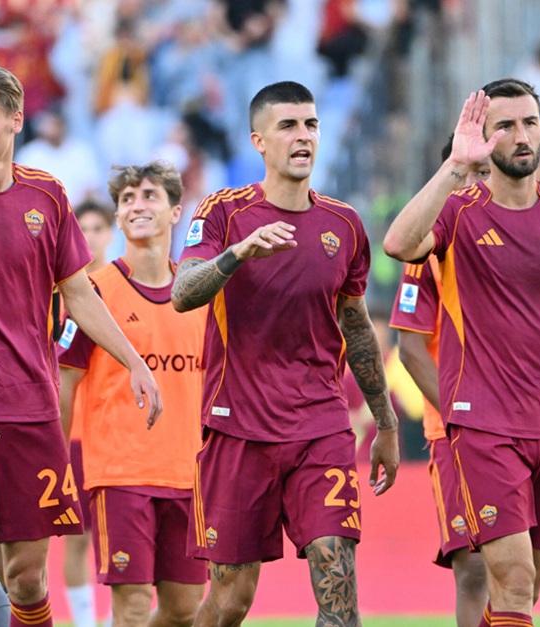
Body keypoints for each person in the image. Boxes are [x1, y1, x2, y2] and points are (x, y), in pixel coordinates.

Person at [0, 53, 162, 627]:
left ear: (16, 120)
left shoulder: (47, 195)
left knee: (28, 580)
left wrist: (134, 361)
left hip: (32, 410)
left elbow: (79, 293)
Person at [172, 80, 400, 627]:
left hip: (320, 427)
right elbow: (183, 293)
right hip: (238, 428)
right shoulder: (224, 212)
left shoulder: (344, 225)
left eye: (311, 124)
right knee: (230, 601)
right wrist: (237, 254)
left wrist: (387, 422)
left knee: (338, 584)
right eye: (288, 125)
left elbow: (356, 328)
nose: (304, 136)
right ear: (259, 141)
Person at [384, 78, 540, 627]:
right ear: (483, 138)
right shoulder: (458, 213)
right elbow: (398, 244)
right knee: (503, 577)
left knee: (523, 591)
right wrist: (456, 165)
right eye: (505, 125)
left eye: (529, 122)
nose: (520, 135)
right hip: (482, 426)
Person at [60, 161, 207, 626]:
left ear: (176, 211)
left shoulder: (200, 294)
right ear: (119, 218)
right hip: (120, 472)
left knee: (184, 610)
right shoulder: (93, 293)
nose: (137, 205)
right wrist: (57, 463)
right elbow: (64, 381)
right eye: (127, 199)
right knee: (134, 605)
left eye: (149, 196)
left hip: (189, 473)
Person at [389, 136, 490, 627]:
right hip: (456, 432)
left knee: (520, 566)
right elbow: (410, 349)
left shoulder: (525, 238)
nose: (479, 184)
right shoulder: (427, 249)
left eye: (486, 172)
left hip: (527, 426)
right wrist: (463, 416)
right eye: (469, 173)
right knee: (474, 567)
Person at [58, 198, 116, 627]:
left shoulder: (122, 288)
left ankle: (119, 618)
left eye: (98, 228)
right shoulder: (64, 295)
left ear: (111, 233)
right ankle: (83, 621)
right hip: (75, 433)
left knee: (115, 537)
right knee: (77, 539)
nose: (91, 237)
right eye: (84, 229)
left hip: (115, 435)